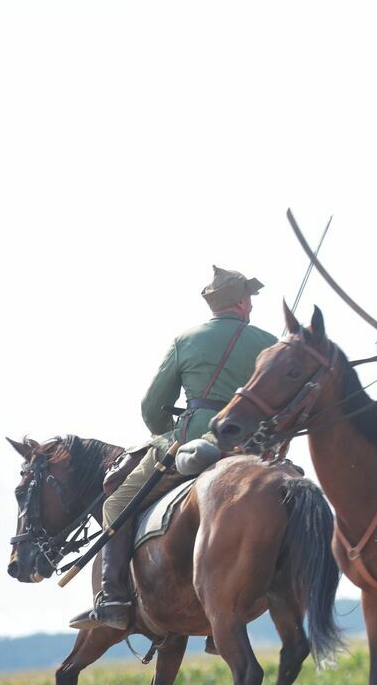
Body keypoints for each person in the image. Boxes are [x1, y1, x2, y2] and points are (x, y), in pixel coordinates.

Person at [70, 267, 279, 630]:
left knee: (117, 503)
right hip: (249, 449)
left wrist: (173, 433)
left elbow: (153, 406)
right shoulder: (268, 341)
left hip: (189, 440)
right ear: (243, 302)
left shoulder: (186, 340)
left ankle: (114, 599)